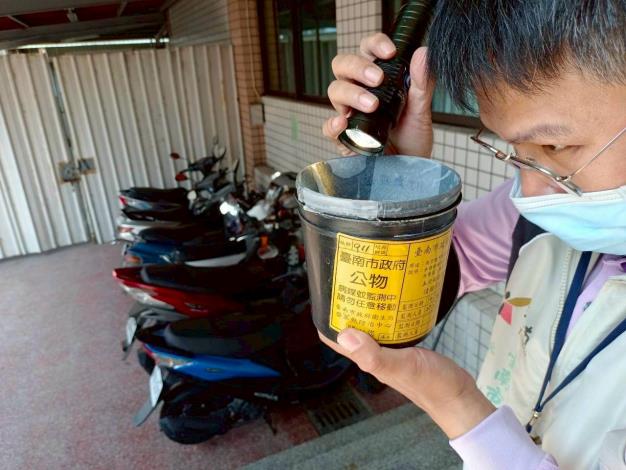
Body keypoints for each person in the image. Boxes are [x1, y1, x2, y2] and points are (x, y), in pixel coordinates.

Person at [319, 1, 626, 469]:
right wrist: (399, 182)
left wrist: (458, 406)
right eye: (515, 151)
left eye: (555, 146)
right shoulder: (538, 214)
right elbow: (415, 285)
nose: (530, 191)